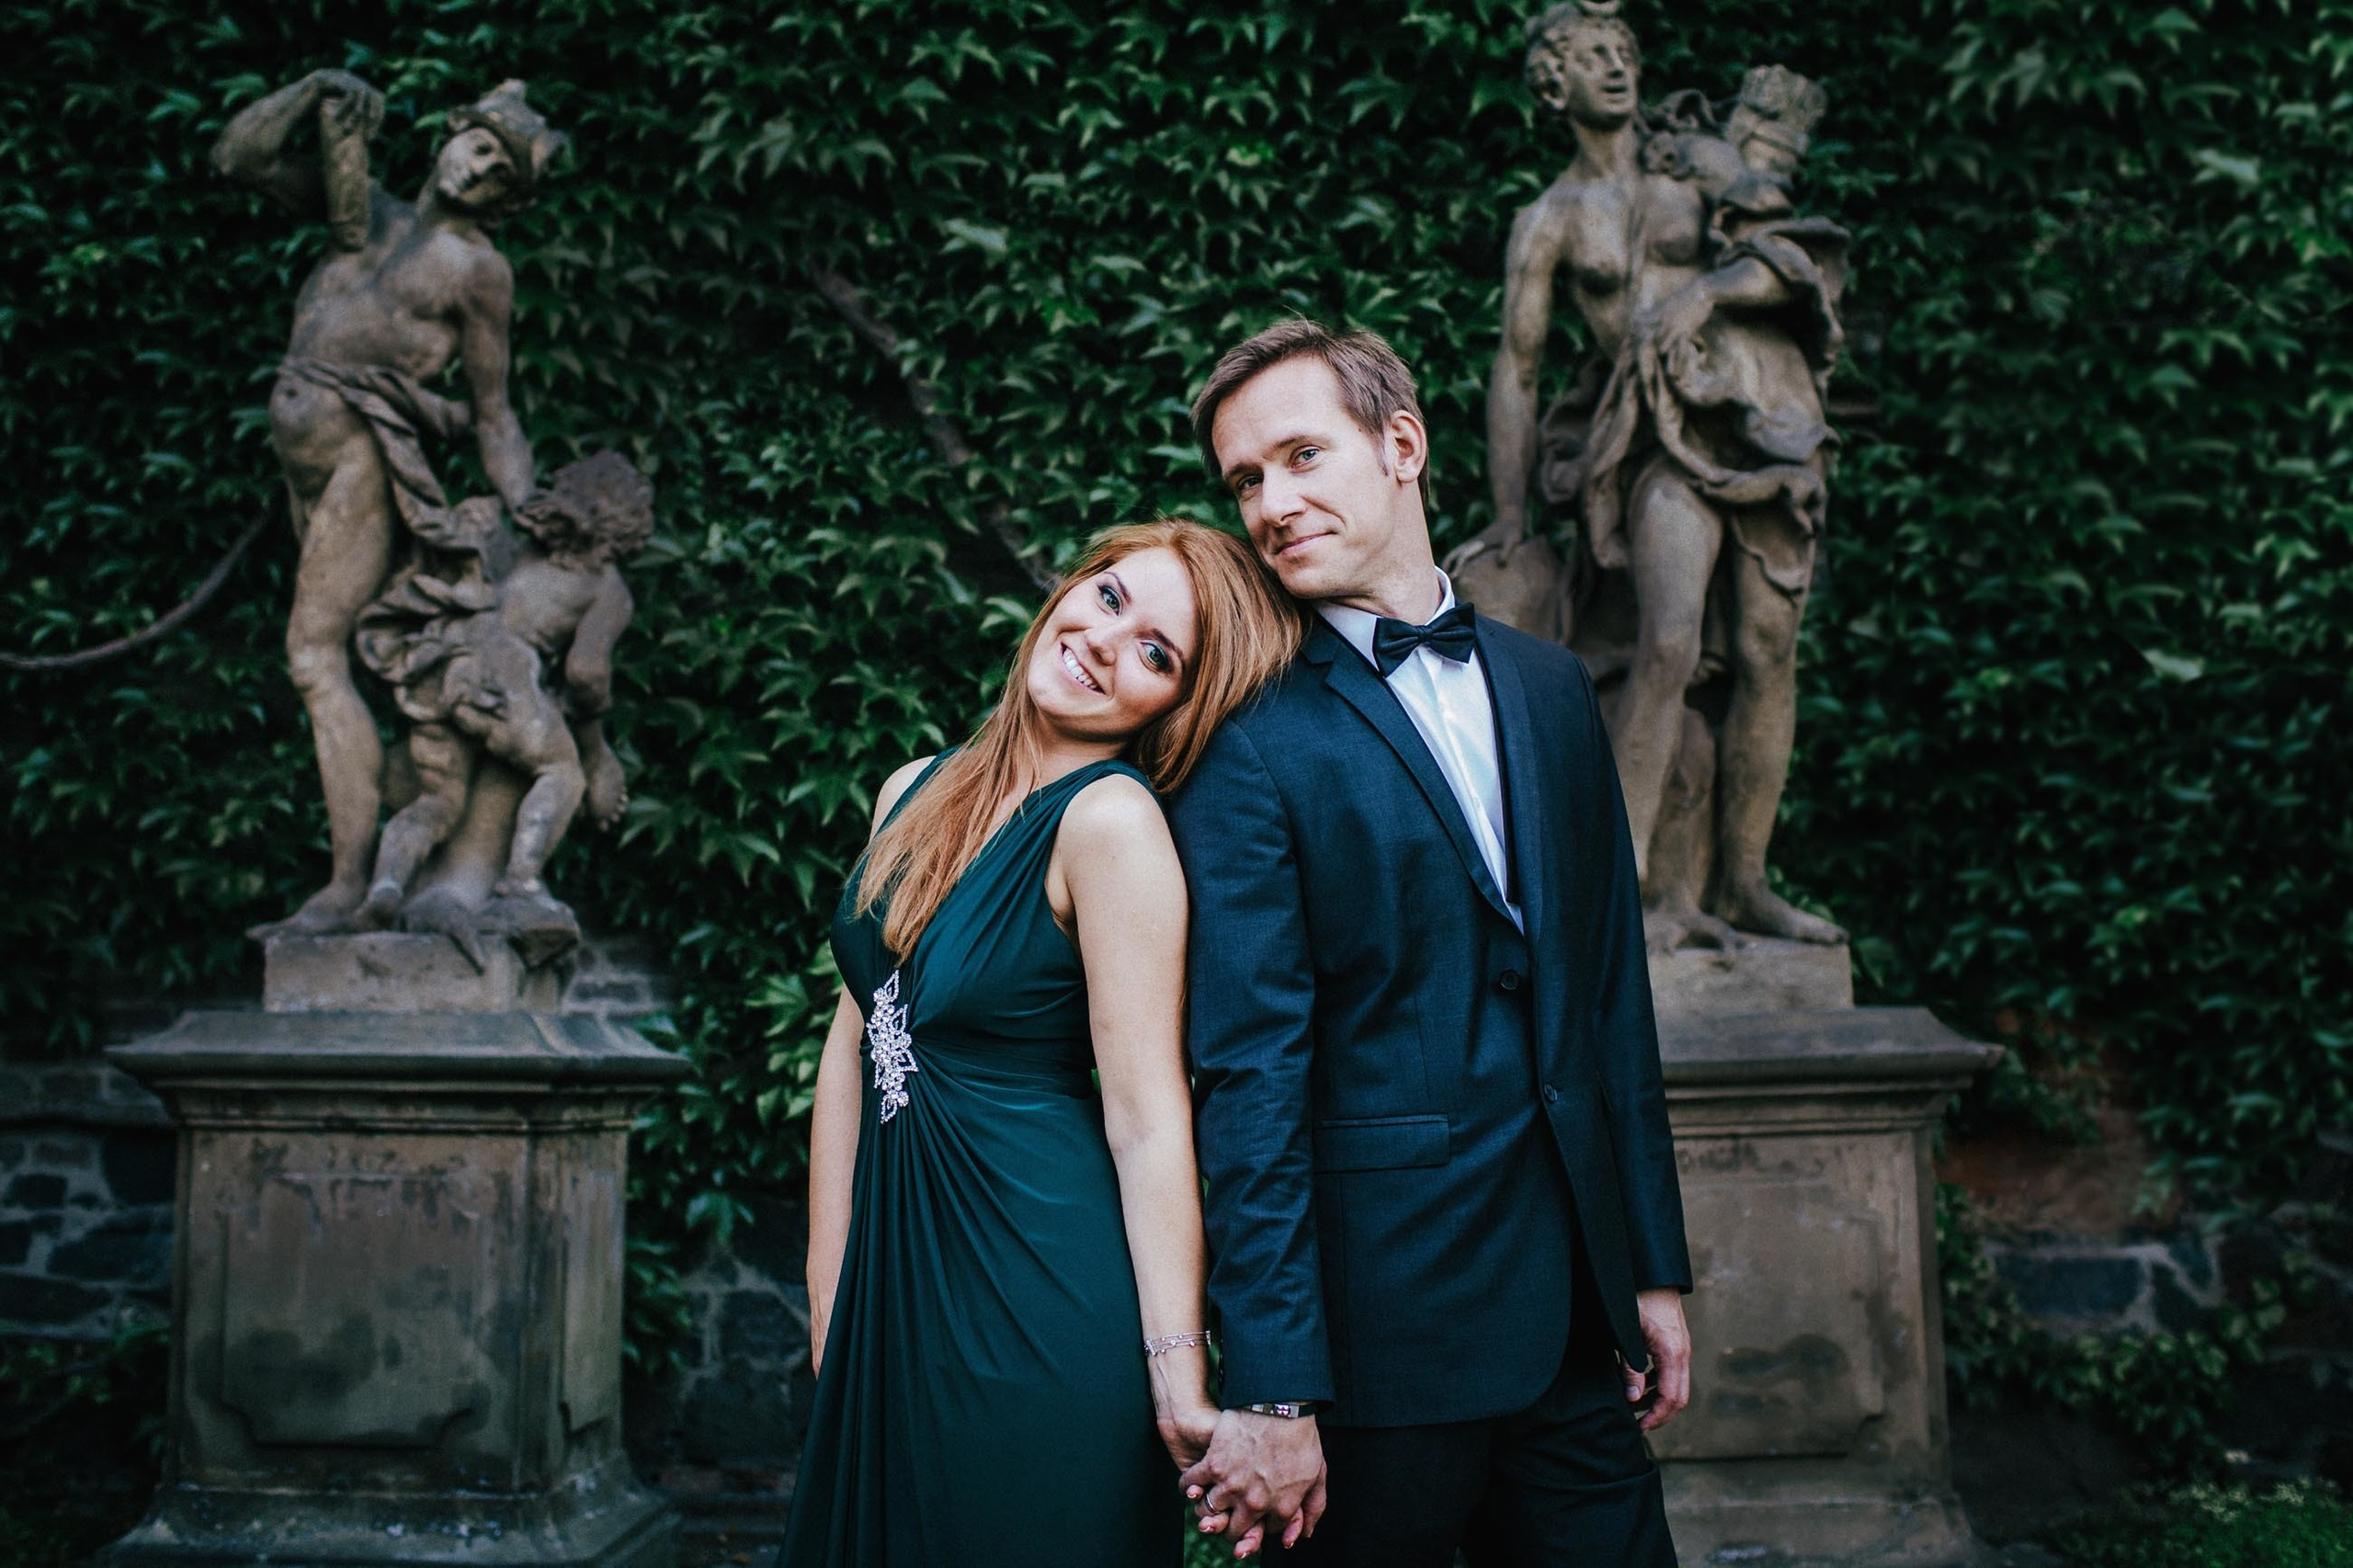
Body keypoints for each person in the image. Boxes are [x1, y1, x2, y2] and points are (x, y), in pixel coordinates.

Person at [1171, 320, 1693, 1565]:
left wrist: (1652, 1268)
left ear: (1400, 443)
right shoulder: (1242, 738)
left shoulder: (1555, 688)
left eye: (1301, 455)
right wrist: (1277, 1386)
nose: (1272, 501)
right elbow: (1248, 1075)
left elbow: (1609, 999)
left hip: (1576, 1319)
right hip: (1379, 1343)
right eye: (1246, 479)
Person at [779, 518, 1302, 1567]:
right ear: (1070, 589)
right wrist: (830, 1286)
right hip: (894, 1290)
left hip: (1034, 1300)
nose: (1109, 642)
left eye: (1159, 653)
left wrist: (1175, 1364)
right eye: (1110, 597)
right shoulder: (910, 786)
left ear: (1174, 703)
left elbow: (1149, 1116)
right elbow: (862, 1036)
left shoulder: (1109, 823)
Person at [212, 71, 565, 935]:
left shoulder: (478, 270)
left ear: (509, 201)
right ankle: (384, 860)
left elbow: (493, 411)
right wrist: (308, 92)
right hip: (306, 459)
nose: (477, 171)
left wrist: (530, 521)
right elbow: (237, 157)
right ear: (450, 135)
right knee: (351, 664)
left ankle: (343, 889)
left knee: (315, 655)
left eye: (500, 174)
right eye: (477, 146)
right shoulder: (359, 211)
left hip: (364, 462)